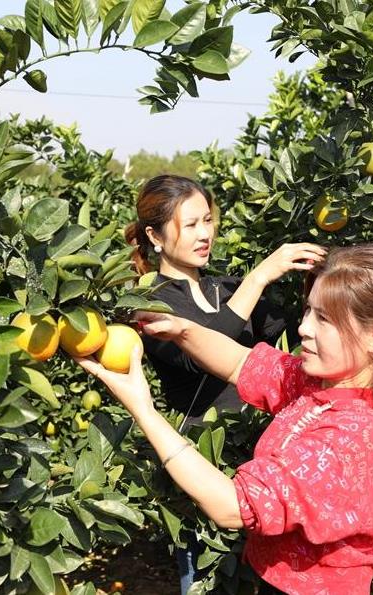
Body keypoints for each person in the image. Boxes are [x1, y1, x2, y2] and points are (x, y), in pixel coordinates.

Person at [74, 243, 373, 595]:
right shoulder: (323, 384)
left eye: (324, 319)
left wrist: (143, 410)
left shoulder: (355, 438)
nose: (304, 328)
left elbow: (232, 506)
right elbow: (240, 363)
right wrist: (180, 328)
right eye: (309, 311)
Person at [123, 175, 325, 593]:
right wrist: (259, 277)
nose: (204, 234)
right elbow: (198, 352)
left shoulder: (227, 288)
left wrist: (320, 284)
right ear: (154, 236)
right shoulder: (148, 302)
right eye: (191, 224)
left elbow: (294, 334)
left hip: (262, 460)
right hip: (203, 462)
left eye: (208, 221)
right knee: (208, 580)